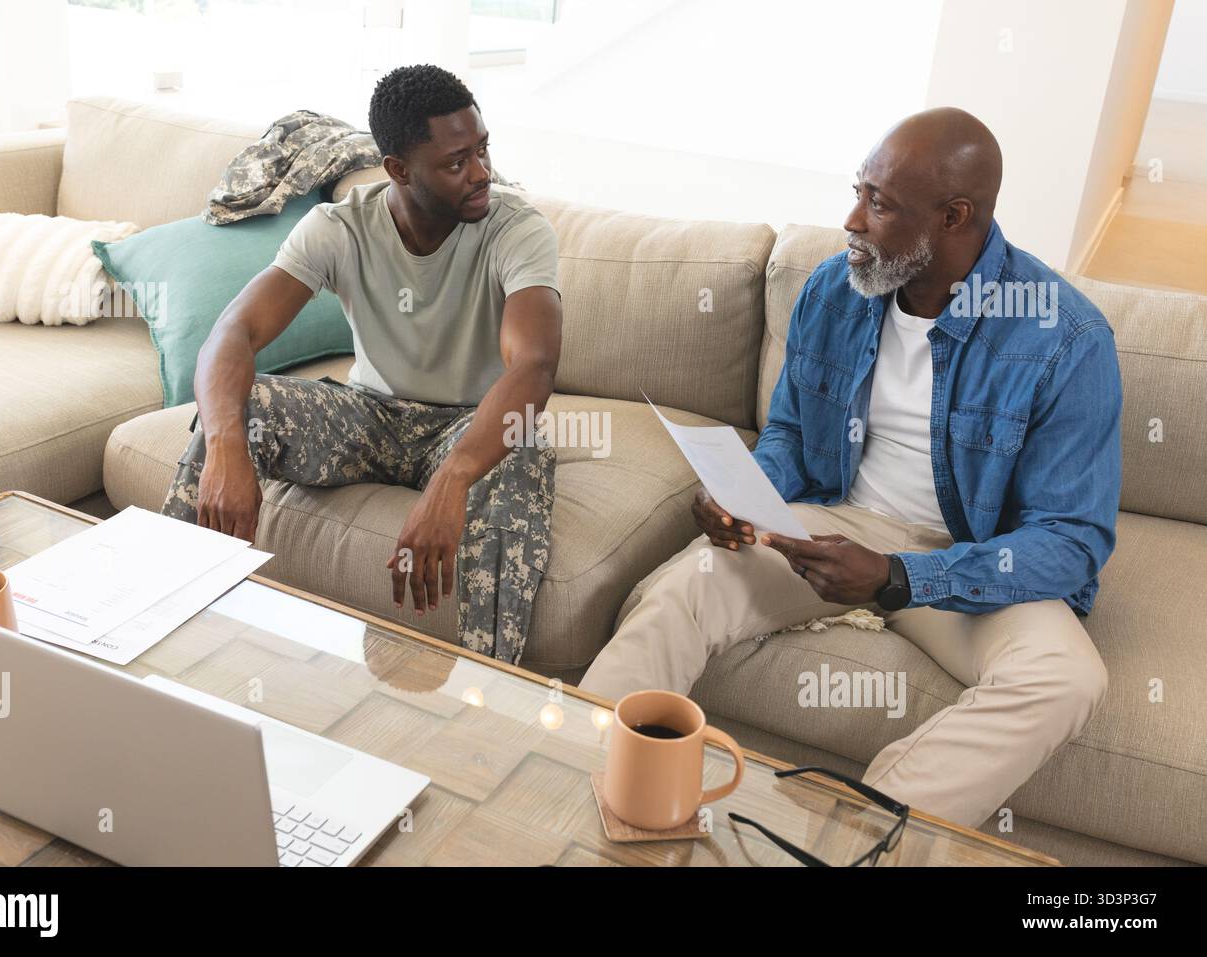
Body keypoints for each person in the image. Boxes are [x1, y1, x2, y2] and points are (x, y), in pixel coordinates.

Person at [579, 107, 1121, 828]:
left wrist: (900, 578)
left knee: (1068, 676)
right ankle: (589, 789)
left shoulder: (1066, 337)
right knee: (687, 585)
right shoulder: (837, 290)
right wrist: (742, 492)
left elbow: (1072, 538)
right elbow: (794, 437)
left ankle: (856, 837)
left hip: (975, 561)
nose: (853, 220)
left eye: (879, 203)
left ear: (955, 217)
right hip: (831, 525)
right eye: (858, 191)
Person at [161, 64, 563, 665]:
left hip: (468, 425)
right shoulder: (340, 227)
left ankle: (489, 696)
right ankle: (167, 630)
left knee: (522, 444)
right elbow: (234, 333)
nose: (480, 173)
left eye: (481, 150)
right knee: (245, 407)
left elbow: (533, 367)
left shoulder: (516, 230)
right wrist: (224, 445)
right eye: (456, 162)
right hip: (370, 416)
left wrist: (451, 481)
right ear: (399, 169)